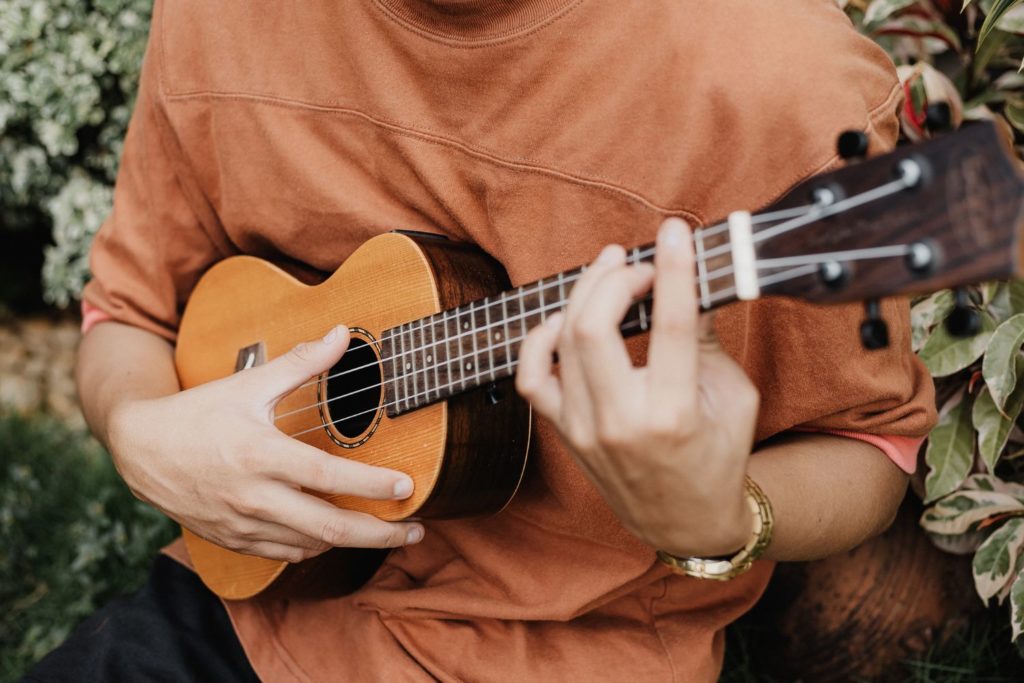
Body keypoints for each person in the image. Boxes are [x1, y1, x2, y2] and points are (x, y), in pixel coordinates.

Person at [27, 1, 936, 680]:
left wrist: (726, 515)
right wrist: (145, 438)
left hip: (574, 657)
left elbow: (872, 445)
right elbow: (130, 316)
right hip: (253, 609)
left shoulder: (784, 89)